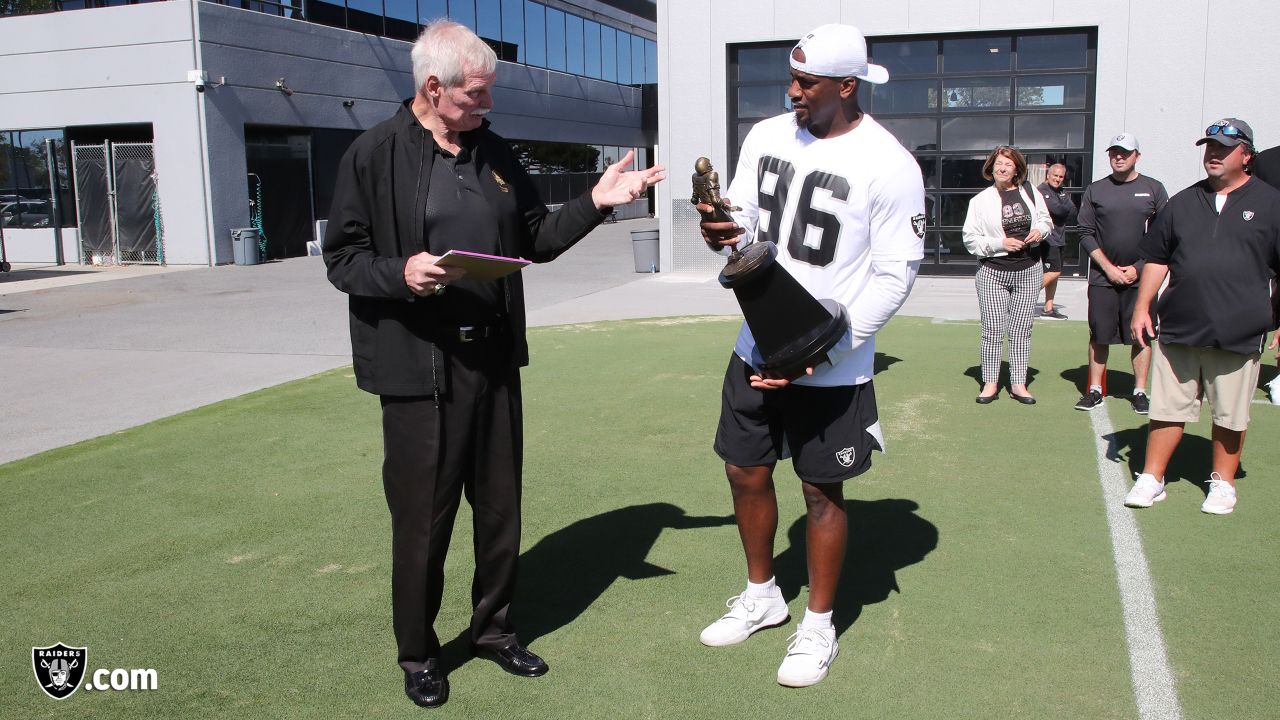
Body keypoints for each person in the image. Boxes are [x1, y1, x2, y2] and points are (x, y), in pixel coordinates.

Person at [322, 21, 664, 709]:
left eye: (488, 94)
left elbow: (535, 238)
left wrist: (596, 204)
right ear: (432, 88)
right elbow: (343, 259)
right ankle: (419, 652)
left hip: (492, 358)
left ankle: (493, 631)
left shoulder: (494, 152)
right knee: (425, 521)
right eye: (476, 96)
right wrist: (402, 271)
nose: (486, 107)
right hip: (421, 371)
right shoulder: (374, 153)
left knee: (501, 509)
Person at [696, 23, 925, 688]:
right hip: (755, 341)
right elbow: (743, 220)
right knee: (744, 470)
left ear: (847, 87)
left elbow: (895, 275)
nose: (791, 92)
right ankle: (763, 594)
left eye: (806, 83)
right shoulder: (768, 135)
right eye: (791, 79)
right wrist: (718, 223)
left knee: (822, 492)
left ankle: (819, 624)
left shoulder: (891, 164)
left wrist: (829, 350)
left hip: (832, 361)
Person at [1124, 118, 1280, 515]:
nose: (1213, 153)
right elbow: (1157, 258)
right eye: (1209, 146)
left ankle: (1223, 483)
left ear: (1246, 155)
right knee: (1166, 409)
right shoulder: (1182, 201)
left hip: (1240, 329)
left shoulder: (1271, 203)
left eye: (1223, 148)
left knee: (1230, 412)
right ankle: (1153, 477)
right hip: (1180, 327)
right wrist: (1142, 306)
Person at [1073, 133, 1168, 414]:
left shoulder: (1153, 188)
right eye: (1114, 151)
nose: (1119, 156)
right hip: (1103, 278)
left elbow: (1164, 235)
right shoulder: (1096, 190)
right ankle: (1094, 389)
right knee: (1099, 335)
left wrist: (1138, 268)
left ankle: (1139, 391)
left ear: (1137, 155)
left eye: (1125, 152)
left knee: (1141, 335)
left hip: (1142, 280)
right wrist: (1109, 268)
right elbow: (1085, 232)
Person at [962, 145, 1053, 404]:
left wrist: (1040, 231)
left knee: (1021, 330)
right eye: (998, 163)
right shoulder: (980, 201)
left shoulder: (1031, 193)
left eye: (1008, 164)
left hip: (1029, 270)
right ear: (991, 167)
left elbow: (1046, 221)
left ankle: (1018, 384)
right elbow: (970, 240)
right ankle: (990, 384)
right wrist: (1000, 244)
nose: (1002, 168)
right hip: (993, 272)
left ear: (1017, 170)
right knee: (992, 330)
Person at [1037, 163, 1077, 319]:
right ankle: (1023, 295)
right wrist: (1063, 205)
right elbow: (1060, 210)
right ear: (1048, 175)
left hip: (1060, 238)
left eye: (1061, 177)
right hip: (1048, 240)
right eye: (1055, 176)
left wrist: (1063, 205)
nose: (1058, 179)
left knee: (1054, 274)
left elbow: (1073, 211)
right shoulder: (1042, 191)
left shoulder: (1061, 192)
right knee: (1055, 271)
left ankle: (1048, 309)